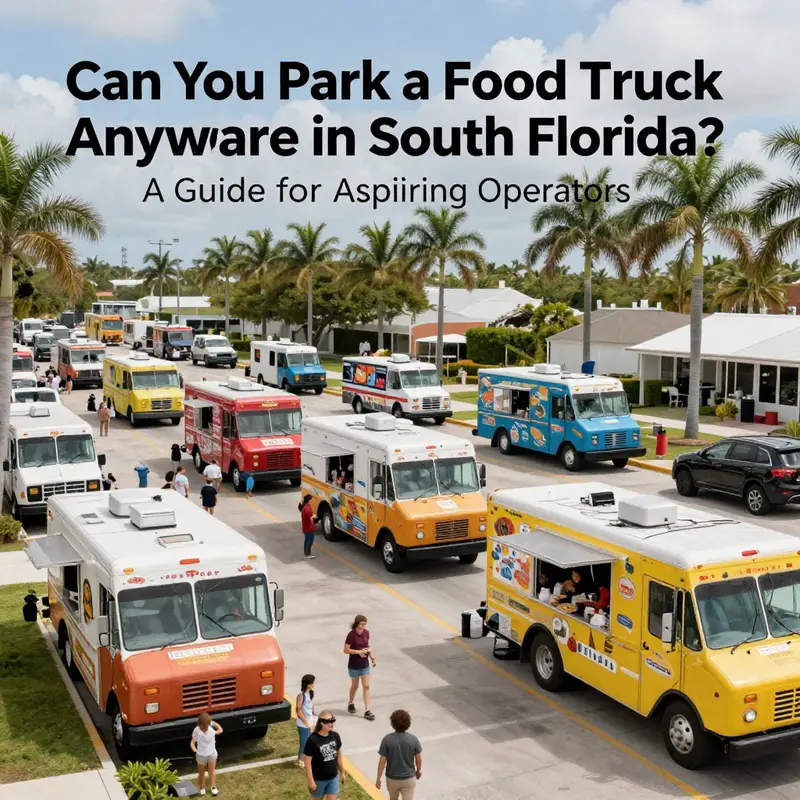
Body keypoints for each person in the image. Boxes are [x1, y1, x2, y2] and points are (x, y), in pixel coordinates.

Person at [376, 709, 423, 800]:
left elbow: (382, 761)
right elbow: (418, 759)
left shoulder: (387, 739)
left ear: (393, 723)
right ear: (408, 723)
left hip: (392, 779)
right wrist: (418, 771)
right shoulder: (413, 739)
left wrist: (378, 778)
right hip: (409, 778)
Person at [303, 711, 345, 799]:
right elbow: (307, 761)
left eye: (332, 721)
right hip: (319, 779)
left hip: (333, 778)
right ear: (321, 723)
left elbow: (339, 756)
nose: (330, 724)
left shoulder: (335, 736)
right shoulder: (313, 740)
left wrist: (342, 772)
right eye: (327, 721)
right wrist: (310, 780)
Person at [344, 614, 376, 721]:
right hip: (354, 664)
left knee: (366, 686)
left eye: (364, 625)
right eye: (361, 624)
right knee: (355, 686)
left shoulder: (366, 633)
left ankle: (367, 710)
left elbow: (368, 646)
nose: (362, 627)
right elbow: (346, 650)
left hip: (364, 664)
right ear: (357, 623)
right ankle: (351, 702)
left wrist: (371, 657)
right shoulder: (351, 635)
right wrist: (358, 652)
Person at [190, 711, 223, 797]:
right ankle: (202, 787)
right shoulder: (196, 730)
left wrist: (213, 723)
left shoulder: (212, 730)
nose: (202, 729)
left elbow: (220, 730)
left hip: (212, 754)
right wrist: (195, 750)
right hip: (201, 755)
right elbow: (192, 742)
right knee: (201, 772)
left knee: (211, 771)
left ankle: (213, 786)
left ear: (208, 724)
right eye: (201, 727)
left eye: (204, 727)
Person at [296, 674, 316, 767]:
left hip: (310, 723)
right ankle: (300, 760)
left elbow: (310, 706)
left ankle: (307, 759)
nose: (313, 684)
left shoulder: (311, 693)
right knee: (304, 743)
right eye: (312, 682)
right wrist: (305, 722)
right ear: (307, 684)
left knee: (310, 742)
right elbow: (298, 710)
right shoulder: (301, 696)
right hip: (303, 724)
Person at [299, 494, 318, 559]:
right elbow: (308, 515)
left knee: (308, 540)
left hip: (307, 527)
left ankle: (307, 552)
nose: (312, 500)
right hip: (308, 528)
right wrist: (314, 516)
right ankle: (307, 553)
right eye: (311, 499)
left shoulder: (306, 506)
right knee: (310, 541)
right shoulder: (306, 508)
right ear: (309, 500)